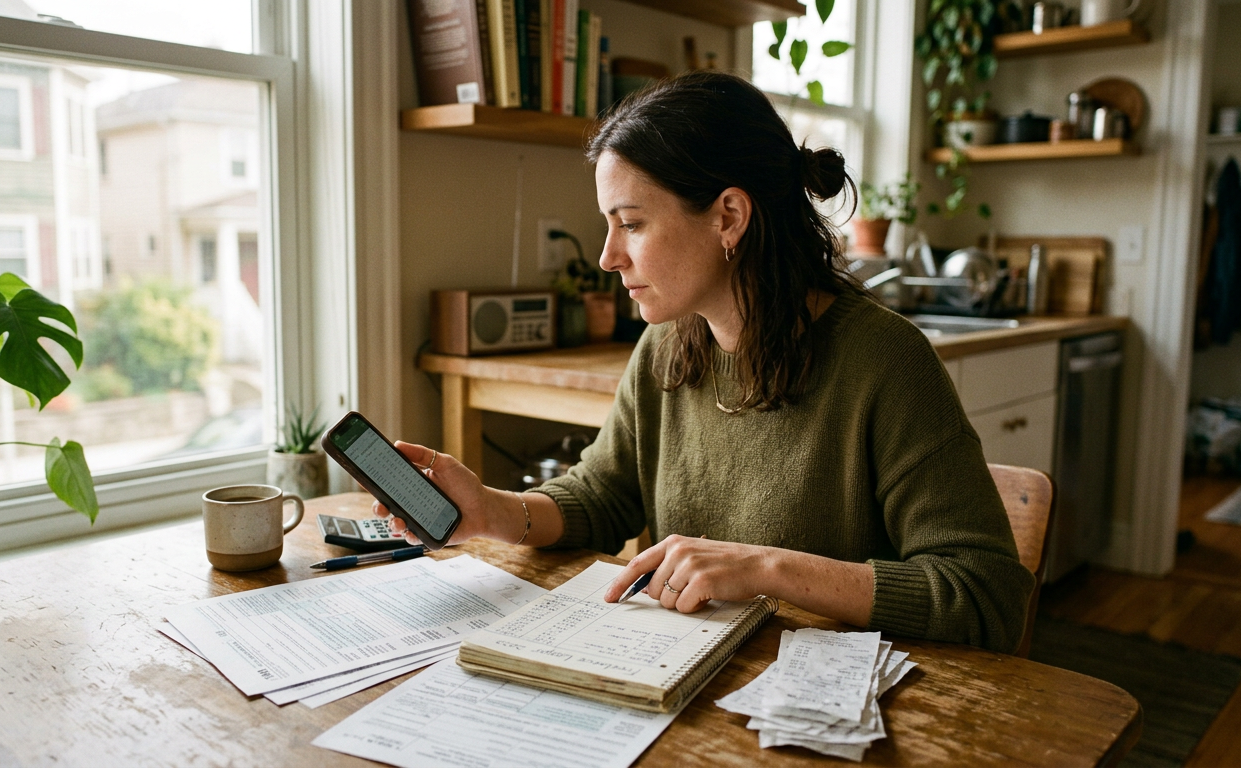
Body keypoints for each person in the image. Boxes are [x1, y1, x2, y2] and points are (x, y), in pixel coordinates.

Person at [379, 71, 1034, 654]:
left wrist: (765, 570)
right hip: (689, 693)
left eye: (631, 223)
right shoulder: (665, 347)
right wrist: (490, 511)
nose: (608, 256)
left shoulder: (885, 362)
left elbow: (987, 594)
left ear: (729, 216)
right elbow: (602, 495)